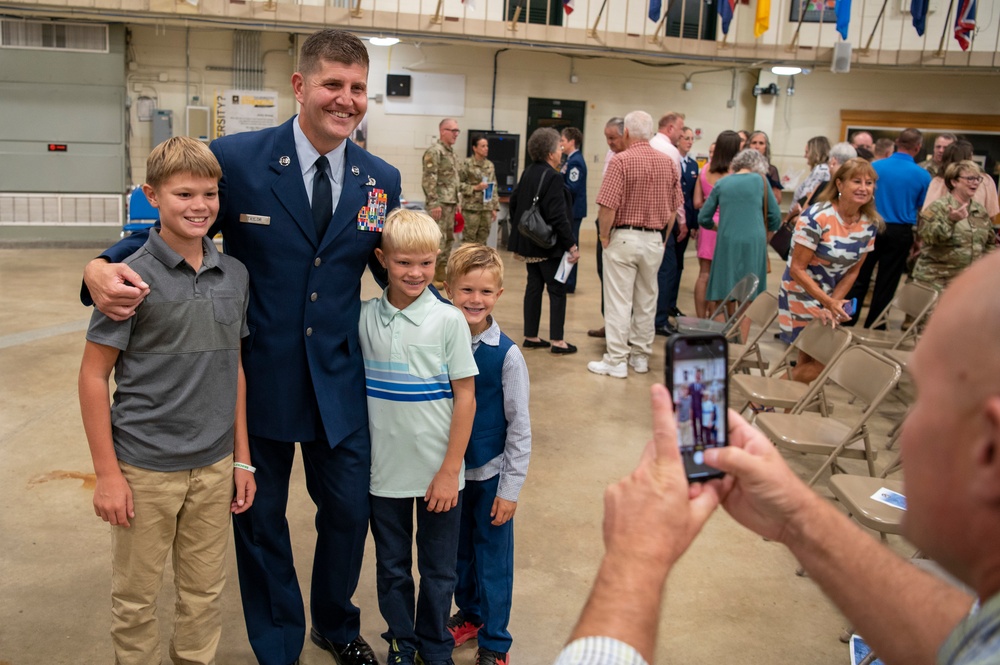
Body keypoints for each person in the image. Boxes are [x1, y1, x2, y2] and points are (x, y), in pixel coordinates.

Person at [83, 29, 401, 665]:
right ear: (300, 86)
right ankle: (278, 643)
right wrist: (98, 266)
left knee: (348, 514)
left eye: (358, 88)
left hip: (340, 384)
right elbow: (178, 227)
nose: (346, 99)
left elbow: (392, 271)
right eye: (333, 84)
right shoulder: (240, 160)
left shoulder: (380, 179)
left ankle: (335, 624)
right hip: (259, 382)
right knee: (261, 524)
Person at [78, 136, 256, 665]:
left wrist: (241, 457)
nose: (199, 206)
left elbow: (235, 369)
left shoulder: (235, 276)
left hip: (214, 466)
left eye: (209, 193)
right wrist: (108, 474)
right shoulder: (127, 278)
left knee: (203, 594)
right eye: (183, 194)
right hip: (144, 469)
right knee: (136, 598)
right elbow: (92, 378)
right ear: (151, 197)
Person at [359, 209, 478, 665]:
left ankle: (433, 644)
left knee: (438, 570)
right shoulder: (365, 318)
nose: (416, 273)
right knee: (391, 568)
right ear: (382, 259)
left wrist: (450, 470)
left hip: (439, 476)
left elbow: (465, 397)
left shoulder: (449, 320)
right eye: (404, 262)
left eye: (427, 263)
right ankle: (401, 643)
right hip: (384, 473)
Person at [443, 244, 531, 665]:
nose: (475, 300)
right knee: (458, 556)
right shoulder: (441, 343)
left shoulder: (507, 357)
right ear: (447, 290)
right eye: (466, 290)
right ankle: (472, 615)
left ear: (498, 294)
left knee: (493, 562)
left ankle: (495, 642)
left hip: (492, 475)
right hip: (451, 478)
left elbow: (520, 428)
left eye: (485, 292)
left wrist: (510, 489)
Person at [588, 110, 681, 379]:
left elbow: (607, 206)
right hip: (654, 238)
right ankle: (640, 357)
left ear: (626, 132)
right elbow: (674, 209)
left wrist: (604, 236)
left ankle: (616, 359)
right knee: (647, 299)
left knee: (619, 300)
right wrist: (662, 238)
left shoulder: (621, 161)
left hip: (624, 237)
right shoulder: (668, 162)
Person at [777, 159, 882, 383]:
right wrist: (827, 302)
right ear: (840, 184)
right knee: (824, 364)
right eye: (857, 181)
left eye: (869, 182)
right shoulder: (817, 216)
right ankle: (765, 397)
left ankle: (785, 407)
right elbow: (797, 269)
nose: (864, 187)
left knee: (811, 362)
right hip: (800, 293)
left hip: (830, 297)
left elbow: (854, 271)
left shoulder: (870, 223)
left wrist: (833, 304)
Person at [845, 128, 931, 329]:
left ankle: (848, 318)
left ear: (896, 142)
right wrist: (918, 239)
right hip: (900, 231)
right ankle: (876, 324)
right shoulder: (922, 175)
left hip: (871, 226)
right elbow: (922, 210)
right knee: (888, 281)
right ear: (918, 148)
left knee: (857, 276)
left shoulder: (875, 167)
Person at [507, 127, 580, 355]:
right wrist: (571, 244)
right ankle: (558, 341)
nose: (561, 152)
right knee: (557, 290)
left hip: (529, 243)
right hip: (549, 246)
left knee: (534, 286)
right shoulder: (553, 177)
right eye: (559, 148)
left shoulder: (529, 171)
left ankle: (531, 336)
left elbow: (514, 203)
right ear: (550, 153)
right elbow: (559, 216)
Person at [697, 148, 781, 314]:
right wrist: (766, 234)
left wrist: (717, 227)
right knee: (748, 296)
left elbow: (703, 218)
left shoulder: (723, 183)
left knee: (722, 293)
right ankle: (741, 340)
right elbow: (775, 217)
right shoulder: (761, 181)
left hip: (727, 240)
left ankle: (722, 336)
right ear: (759, 165)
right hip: (754, 242)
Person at [912, 160, 997, 291]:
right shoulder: (937, 208)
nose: (975, 182)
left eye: (977, 178)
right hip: (935, 283)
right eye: (970, 178)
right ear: (954, 182)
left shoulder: (980, 211)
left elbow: (989, 244)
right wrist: (950, 221)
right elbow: (929, 237)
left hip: (967, 285)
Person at [691, 130, 741, 318]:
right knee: (723, 277)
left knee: (704, 274)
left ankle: (700, 318)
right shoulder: (735, 173)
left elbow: (697, 202)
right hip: (727, 227)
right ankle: (718, 316)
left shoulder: (705, 170)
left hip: (708, 226)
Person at [655, 125, 699, 335]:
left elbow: (689, 197)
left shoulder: (692, 165)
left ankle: (669, 304)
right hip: (669, 219)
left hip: (684, 221)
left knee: (676, 267)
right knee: (666, 268)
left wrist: (690, 223)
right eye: (685, 138)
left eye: (691, 138)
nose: (689, 141)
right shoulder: (669, 157)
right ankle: (660, 314)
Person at [588, 117, 628, 339]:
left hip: (622, 227)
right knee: (605, 275)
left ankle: (622, 331)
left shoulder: (629, 158)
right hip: (605, 222)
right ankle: (609, 323)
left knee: (622, 282)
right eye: (606, 137)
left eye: (613, 137)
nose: (609, 142)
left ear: (626, 134)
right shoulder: (611, 155)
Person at [650, 112, 686, 336]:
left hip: (645, 220)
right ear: (671, 129)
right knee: (666, 271)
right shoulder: (671, 152)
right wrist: (681, 221)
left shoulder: (649, 145)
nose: (683, 134)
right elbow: (676, 193)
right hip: (663, 221)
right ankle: (660, 319)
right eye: (681, 130)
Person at [923, 140, 1000, 225]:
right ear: (969, 158)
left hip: (944, 231)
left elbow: (927, 214)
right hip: (973, 232)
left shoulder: (938, 181)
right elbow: (992, 216)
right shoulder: (985, 180)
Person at [424, 118, 462, 285]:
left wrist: (458, 200)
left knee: (448, 239)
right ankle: (431, 273)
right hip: (439, 204)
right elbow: (429, 178)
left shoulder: (451, 153)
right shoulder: (435, 151)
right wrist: (433, 203)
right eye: (453, 130)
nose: (456, 134)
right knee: (437, 239)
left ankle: (441, 272)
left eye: (457, 131)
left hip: (451, 203)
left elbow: (454, 180)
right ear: (442, 131)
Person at [458, 133, 500, 246]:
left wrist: (494, 207)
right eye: (483, 146)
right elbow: (458, 184)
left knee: (482, 242)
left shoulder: (490, 165)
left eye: (487, 146)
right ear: (474, 148)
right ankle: (466, 263)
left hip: (486, 208)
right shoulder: (466, 164)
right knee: (469, 241)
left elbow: (494, 186)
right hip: (471, 208)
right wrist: (475, 188)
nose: (486, 148)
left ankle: (479, 264)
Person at [560, 127, 588, 294]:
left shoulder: (576, 161)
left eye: (563, 140)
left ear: (571, 141)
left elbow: (572, 187)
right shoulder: (569, 159)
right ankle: (565, 279)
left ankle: (568, 283)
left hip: (573, 211)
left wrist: (557, 183)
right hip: (570, 210)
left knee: (571, 246)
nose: (561, 144)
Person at [792, 135, 832, 205]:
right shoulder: (821, 169)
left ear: (815, 153)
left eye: (807, 152)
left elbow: (806, 199)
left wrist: (789, 216)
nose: (805, 156)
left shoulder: (821, 170)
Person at [747, 130, 783, 202]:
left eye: (761, 143)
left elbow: (777, 199)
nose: (757, 147)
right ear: (748, 145)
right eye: (754, 143)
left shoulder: (771, 170)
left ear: (766, 147)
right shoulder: (742, 167)